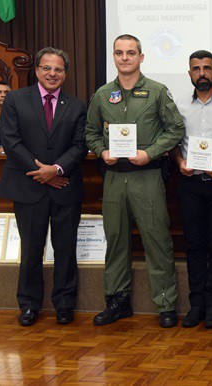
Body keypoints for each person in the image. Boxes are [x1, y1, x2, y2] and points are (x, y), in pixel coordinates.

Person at [85, 34, 185, 328]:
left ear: (141, 57)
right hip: (114, 178)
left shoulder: (157, 91)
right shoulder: (102, 94)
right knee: (116, 241)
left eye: (131, 53)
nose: (125, 57)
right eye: (119, 52)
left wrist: (150, 153)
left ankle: (165, 304)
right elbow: (90, 132)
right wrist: (101, 151)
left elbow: (175, 129)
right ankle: (117, 302)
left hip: (147, 176)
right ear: (114, 57)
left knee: (157, 241)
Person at [0, 48, 87, 326]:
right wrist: (43, 173)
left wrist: (56, 169)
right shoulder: (15, 99)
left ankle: (64, 304)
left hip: (64, 186)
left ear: (65, 74)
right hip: (28, 187)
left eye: (58, 69)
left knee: (66, 249)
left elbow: (80, 146)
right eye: (46, 68)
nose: (52, 73)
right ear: (36, 70)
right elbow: (11, 140)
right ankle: (29, 304)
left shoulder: (77, 105)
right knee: (31, 249)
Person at [170, 50, 212, 329]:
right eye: (196, 69)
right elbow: (173, 141)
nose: (202, 73)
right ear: (189, 74)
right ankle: (196, 304)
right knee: (195, 245)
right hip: (190, 185)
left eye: (207, 68)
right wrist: (179, 162)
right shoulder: (179, 104)